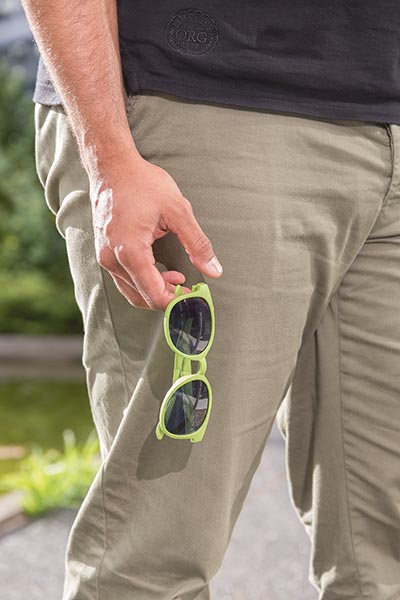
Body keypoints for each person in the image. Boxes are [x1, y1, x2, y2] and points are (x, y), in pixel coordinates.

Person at [22, 0, 400, 598]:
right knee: (157, 552)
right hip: (199, 102)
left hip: (385, 103)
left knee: (386, 558)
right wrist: (109, 156)